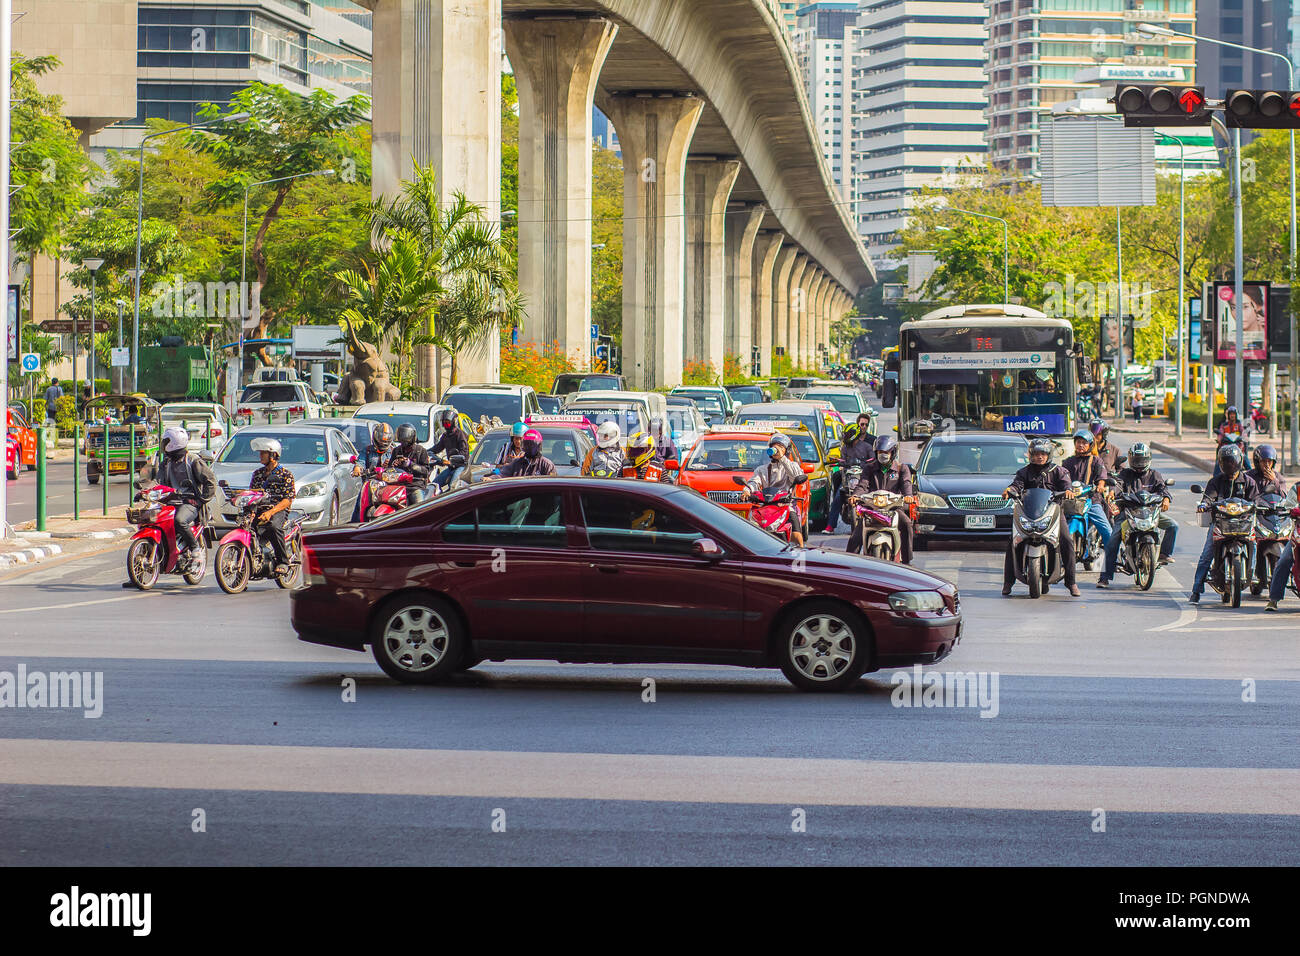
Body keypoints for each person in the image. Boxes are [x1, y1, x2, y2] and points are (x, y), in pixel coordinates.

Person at [1001, 437, 1080, 597]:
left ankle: (1071, 582)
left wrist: (1068, 491)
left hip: (1053, 513)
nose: (1040, 457)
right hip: (1028, 514)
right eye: (1036, 453)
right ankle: (1008, 582)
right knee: (1012, 542)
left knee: (1066, 540)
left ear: (1049, 455)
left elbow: (1066, 485)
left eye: (1043, 454)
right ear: (1031, 455)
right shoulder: (1024, 472)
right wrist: (1009, 490)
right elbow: (1017, 485)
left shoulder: (1059, 471)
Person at [1096, 442, 1177, 587]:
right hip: (1128, 513)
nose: (1140, 464)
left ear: (1148, 460)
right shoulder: (1125, 474)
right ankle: (1105, 576)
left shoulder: (1154, 475)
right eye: (1136, 460)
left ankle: (1164, 554)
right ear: (1131, 460)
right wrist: (1113, 492)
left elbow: (1163, 489)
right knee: (1113, 539)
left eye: (1142, 460)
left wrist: (1166, 499)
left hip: (1151, 513)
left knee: (1173, 525)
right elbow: (1117, 484)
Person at [137, 425, 216, 571]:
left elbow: (210, 481)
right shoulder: (166, 462)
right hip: (168, 502)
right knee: (149, 519)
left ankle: (195, 550)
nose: (163, 445)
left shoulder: (192, 461)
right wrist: (144, 491)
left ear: (174, 442)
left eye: (166, 442)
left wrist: (201, 500)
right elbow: (157, 482)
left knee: (179, 520)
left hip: (189, 503)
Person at [1189, 443, 1260, 605]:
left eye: (1232, 461)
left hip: (1243, 523)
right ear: (1220, 463)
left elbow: (1256, 499)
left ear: (1239, 461)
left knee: (1254, 545)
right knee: (1207, 554)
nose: (1229, 465)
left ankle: (1253, 574)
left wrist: (1259, 505)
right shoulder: (1216, 481)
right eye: (1226, 461)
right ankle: (1196, 589)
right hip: (1221, 523)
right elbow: (1208, 498)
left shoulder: (1248, 482)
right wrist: (1203, 505)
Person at [846, 435, 914, 562]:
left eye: (886, 452)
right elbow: (863, 485)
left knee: (907, 524)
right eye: (880, 452)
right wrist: (855, 496)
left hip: (893, 509)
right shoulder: (869, 468)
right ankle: (848, 565)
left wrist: (908, 496)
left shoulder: (901, 468)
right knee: (856, 537)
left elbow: (906, 484)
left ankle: (907, 561)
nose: (883, 455)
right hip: (872, 510)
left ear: (892, 453)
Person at [742, 433, 805, 547]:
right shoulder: (762, 469)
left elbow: (796, 476)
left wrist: (782, 459)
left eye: (780, 447)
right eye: (774, 446)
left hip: (785, 505)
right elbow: (754, 482)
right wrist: (747, 490)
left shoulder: (792, 466)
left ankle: (801, 552)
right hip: (765, 506)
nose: (776, 449)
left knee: (795, 526)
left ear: (786, 450)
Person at [248, 437, 296, 575]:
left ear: (273, 455)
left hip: (278, 509)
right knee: (246, 527)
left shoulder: (285, 474)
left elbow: (288, 500)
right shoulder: (257, 474)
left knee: (274, 527)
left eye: (263, 453)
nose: (260, 456)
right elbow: (253, 494)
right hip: (259, 508)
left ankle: (283, 561)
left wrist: (271, 512)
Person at [1061, 427, 1113, 554]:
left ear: (1090, 445)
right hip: (1071, 502)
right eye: (1078, 442)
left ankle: (1113, 557)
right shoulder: (1068, 461)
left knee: (1107, 529)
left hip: (1091, 500)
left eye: (1084, 443)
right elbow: (1061, 477)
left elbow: (1102, 476)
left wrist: (1100, 485)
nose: (1081, 445)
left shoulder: (1096, 460)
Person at [823, 422, 871, 534]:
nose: (846, 436)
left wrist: (867, 464)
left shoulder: (867, 447)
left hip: (862, 478)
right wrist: (841, 463)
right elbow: (842, 460)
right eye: (845, 434)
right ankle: (830, 526)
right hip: (848, 478)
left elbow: (872, 460)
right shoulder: (844, 448)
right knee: (837, 498)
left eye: (848, 434)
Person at [349, 422, 394, 522]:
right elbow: (360, 462)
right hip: (370, 485)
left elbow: (397, 466)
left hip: (388, 485)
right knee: (359, 505)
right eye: (380, 442)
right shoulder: (367, 450)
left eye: (385, 442)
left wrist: (390, 465)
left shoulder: (393, 451)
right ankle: (355, 526)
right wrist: (357, 468)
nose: (382, 444)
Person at [387, 422, 434, 504]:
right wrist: (393, 466)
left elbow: (426, 471)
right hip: (398, 486)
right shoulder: (396, 450)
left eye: (406, 435)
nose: (404, 438)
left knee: (419, 507)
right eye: (402, 435)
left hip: (415, 486)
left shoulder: (421, 450)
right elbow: (389, 469)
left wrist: (410, 464)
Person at [425, 409, 467, 493]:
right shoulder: (445, 436)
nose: (446, 424)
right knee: (434, 484)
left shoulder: (460, 434)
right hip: (451, 467)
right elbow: (437, 448)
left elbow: (464, 452)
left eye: (447, 422)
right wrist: (423, 452)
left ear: (453, 422)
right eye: (444, 422)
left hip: (461, 467)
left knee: (453, 487)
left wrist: (451, 461)